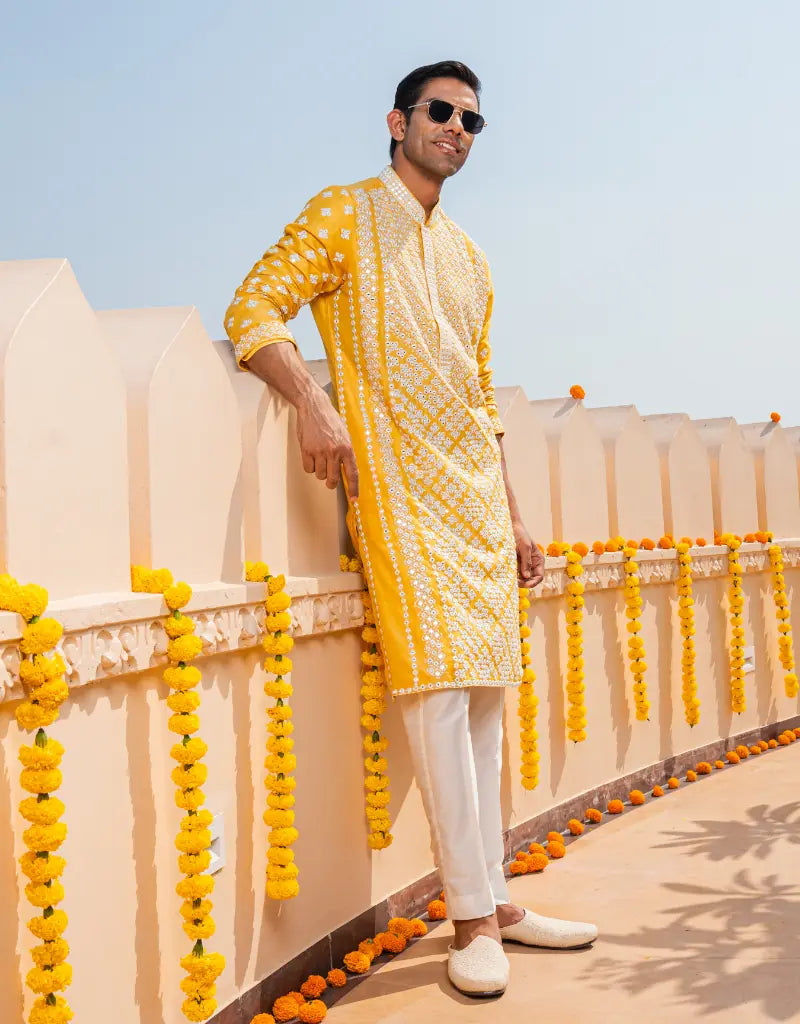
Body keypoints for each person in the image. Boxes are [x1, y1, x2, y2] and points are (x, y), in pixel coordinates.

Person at [225, 59, 597, 998]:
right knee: (435, 695)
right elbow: (252, 308)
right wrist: (311, 399)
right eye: (441, 113)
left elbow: (480, 398)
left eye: (474, 121)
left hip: (474, 504)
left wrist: (513, 518)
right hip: (397, 499)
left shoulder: (471, 259)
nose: (458, 130)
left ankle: (496, 900)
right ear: (398, 120)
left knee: (483, 702)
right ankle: (469, 918)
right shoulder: (342, 213)